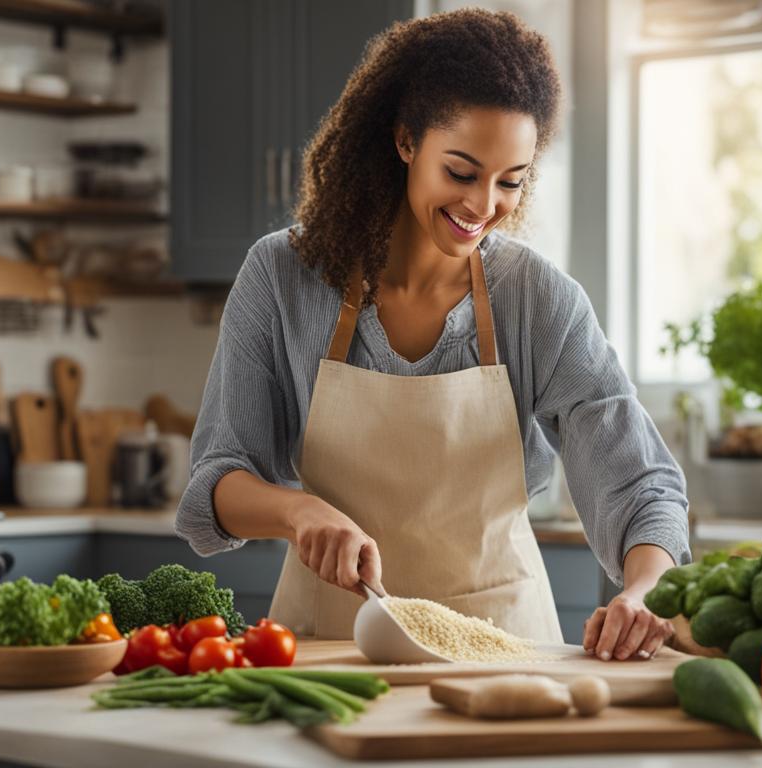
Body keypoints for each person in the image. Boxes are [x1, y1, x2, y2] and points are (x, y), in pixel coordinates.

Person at [176, 8, 690, 661]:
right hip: (332, 649)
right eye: (461, 172)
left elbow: (641, 484)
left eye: (511, 181)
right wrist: (299, 512)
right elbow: (219, 476)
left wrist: (643, 591)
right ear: (406, 141)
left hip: (502, 652)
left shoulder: (537, 299)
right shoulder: (282, 276)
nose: (483, 205)